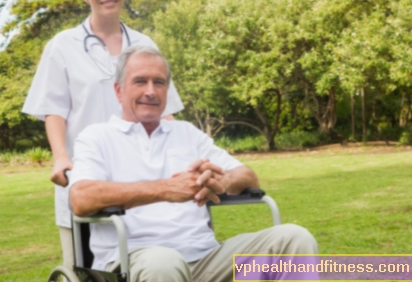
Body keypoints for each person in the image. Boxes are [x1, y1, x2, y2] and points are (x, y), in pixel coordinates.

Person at [69, 46, 318, 282]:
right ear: (119, 90)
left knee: (294, 239)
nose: (151, 91)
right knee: (164, 263)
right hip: (134, 258)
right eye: (140, 81)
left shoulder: (187, 133)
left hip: (207, 257)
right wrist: (165, 189)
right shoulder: (97, 137)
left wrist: (224, 181)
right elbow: (81, 198)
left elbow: (248, 176)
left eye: (159, 82)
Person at [22, 0, 184, 267]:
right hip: (87, 177)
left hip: (142, 177)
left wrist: (181, 152)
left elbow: (164, 109)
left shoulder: (144, 45)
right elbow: (53, 109)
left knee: (153, 260)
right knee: (88, 266)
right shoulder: (62, 45)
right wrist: (60, 157)